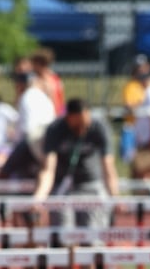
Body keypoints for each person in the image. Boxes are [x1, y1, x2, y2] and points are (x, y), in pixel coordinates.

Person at [31, 98, 121, 230]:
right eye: (78, 125)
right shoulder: (55, 129)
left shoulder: (99, 128)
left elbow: (108, 166)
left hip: (91, 184)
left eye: (85, 124)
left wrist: (115, 197)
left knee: (94, 234)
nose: (82, 129)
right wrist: (39, 197)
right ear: (68, 118)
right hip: (63, 186)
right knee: (63, 232)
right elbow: (48, 169)